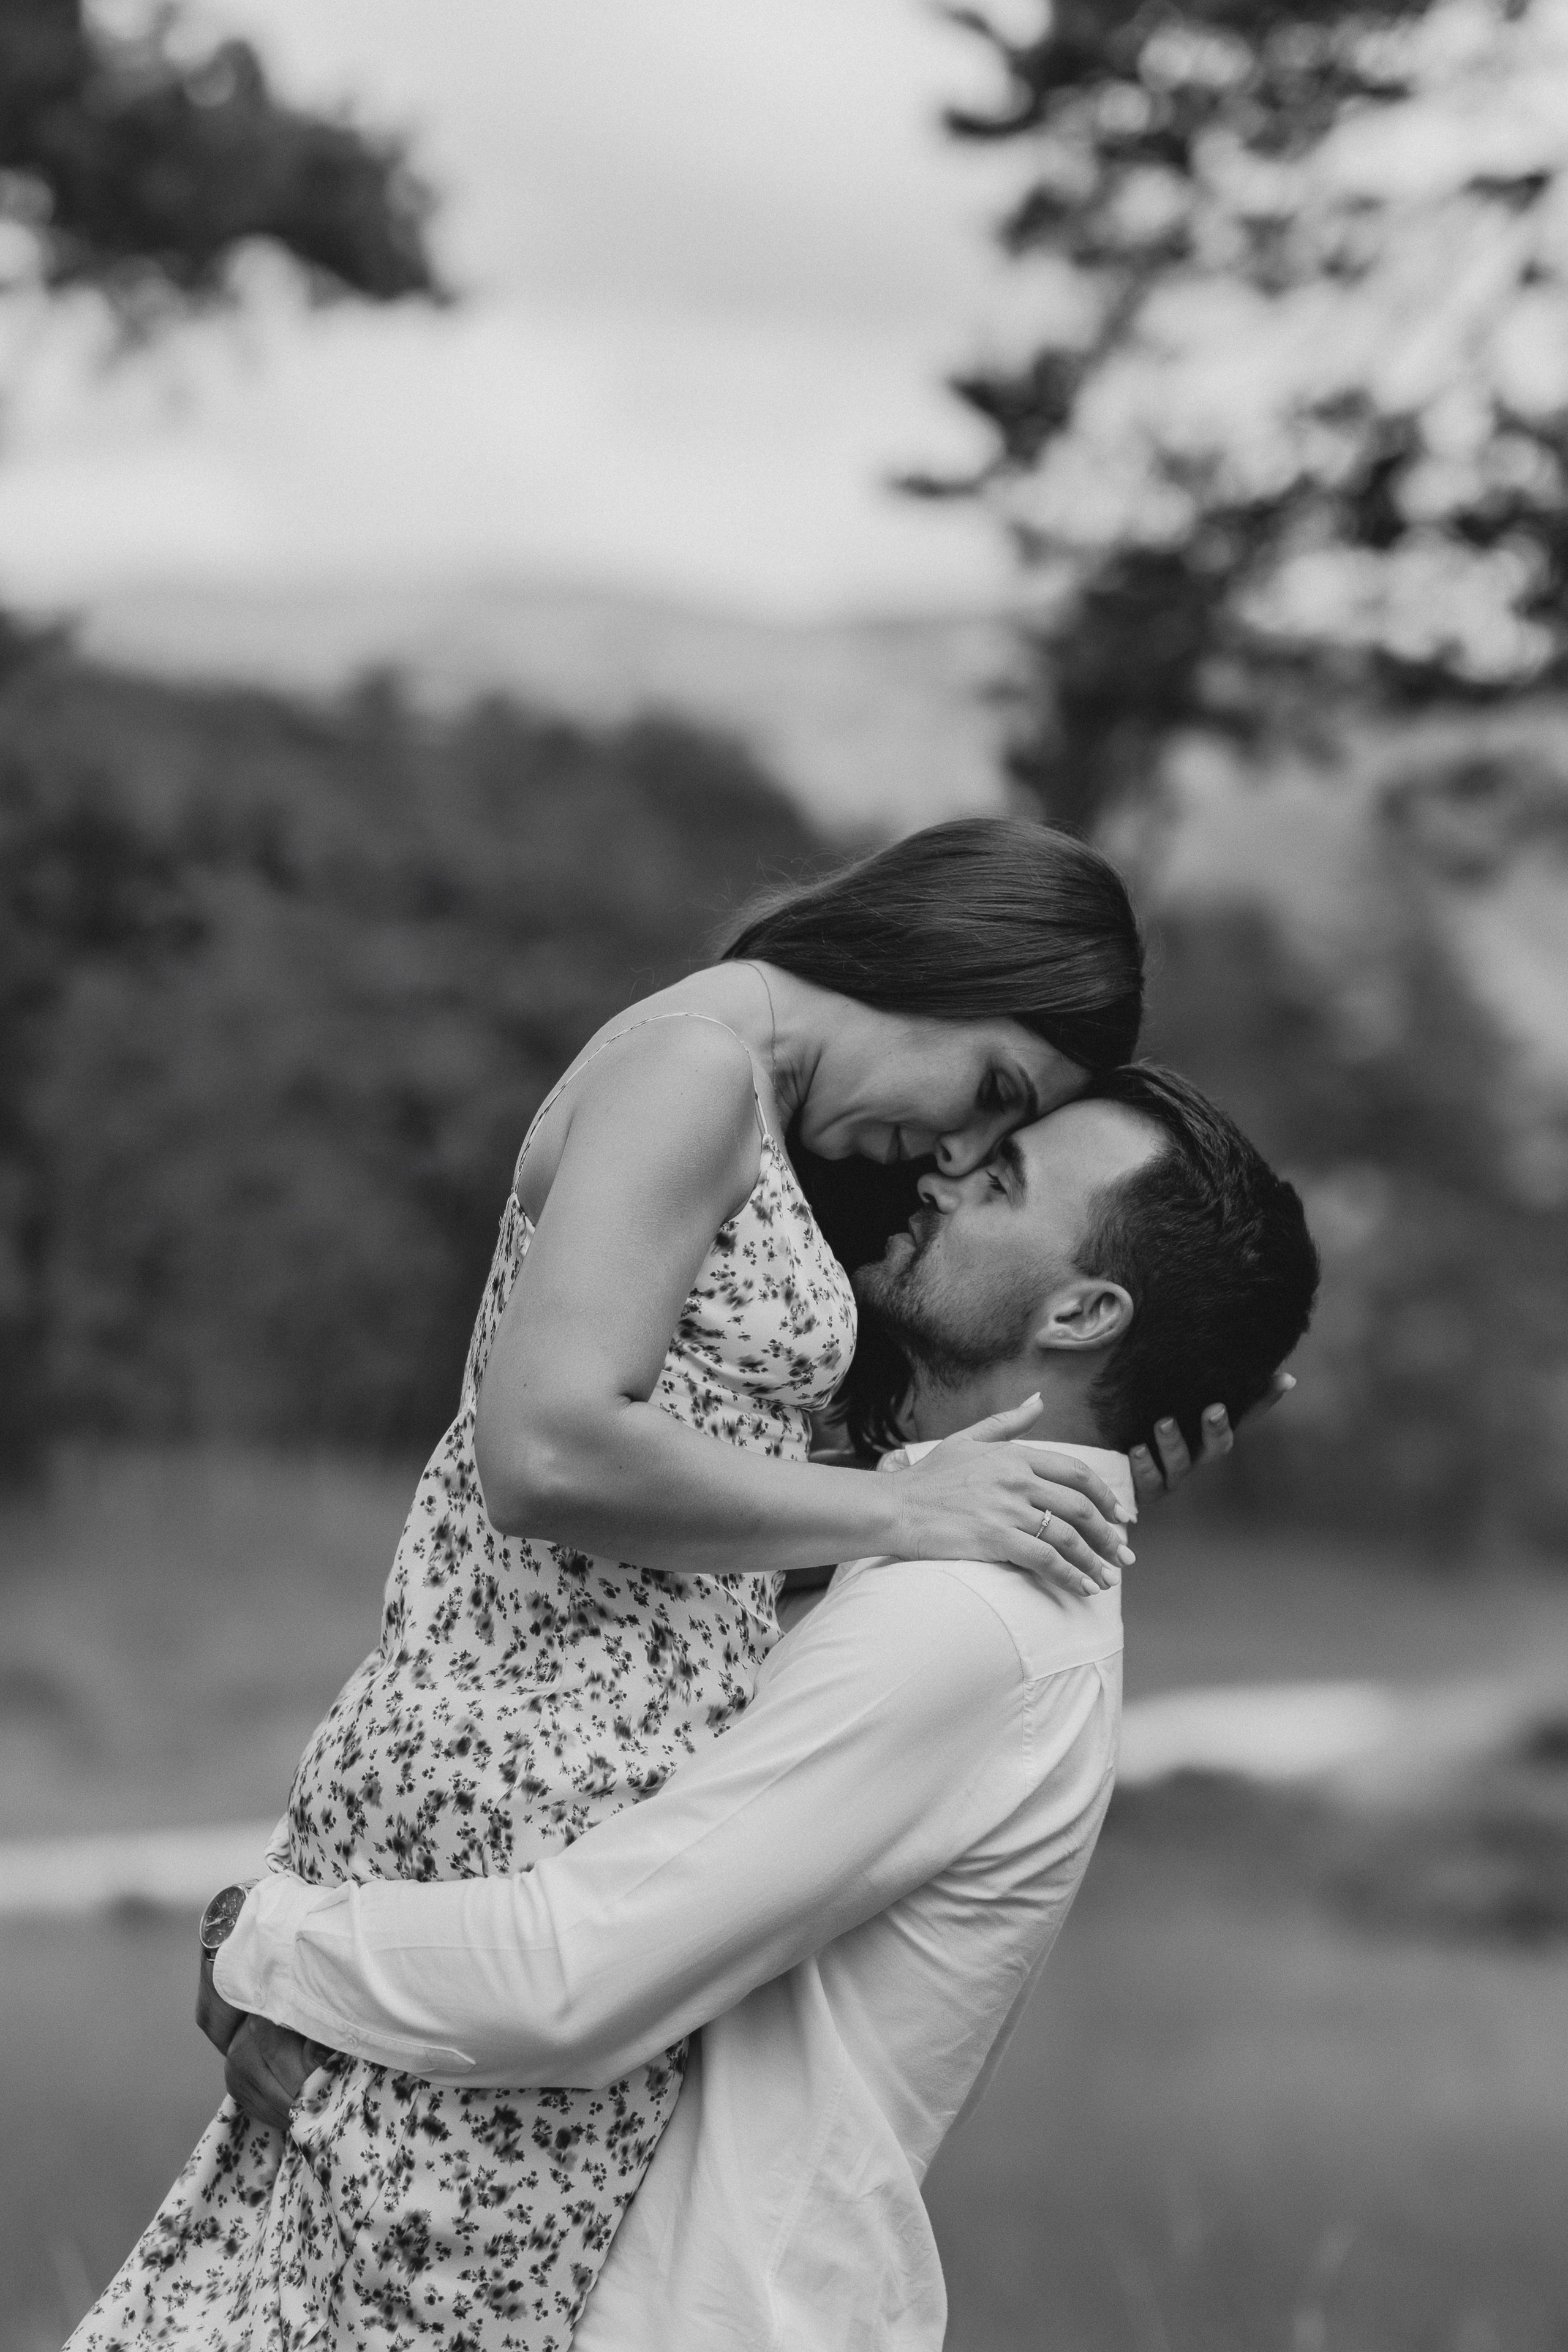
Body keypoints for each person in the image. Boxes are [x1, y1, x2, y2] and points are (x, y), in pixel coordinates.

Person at [73, 818, 1178, 2352]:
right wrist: (900, 1514)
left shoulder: (722, 1085)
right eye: (989, 1092)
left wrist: (1025, 1465)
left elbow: (671, 1512)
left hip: (539, 1768)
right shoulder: (687, 1069)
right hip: (521, 1783)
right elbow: (546, 1452)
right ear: (941, 959)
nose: (945, 1148)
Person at [202, 1065, 1321, 2351]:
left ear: (1081, 1310)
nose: (945, 1175)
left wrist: (263, 1942)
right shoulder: (917, 1567)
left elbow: (576, 1974)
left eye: (1000, 1181)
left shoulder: (962, 1622)